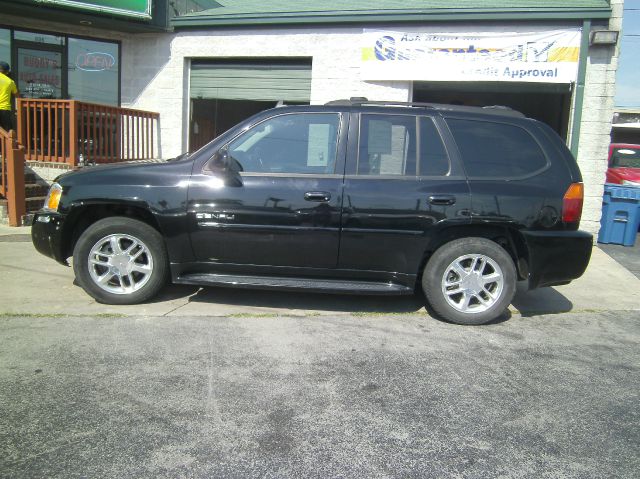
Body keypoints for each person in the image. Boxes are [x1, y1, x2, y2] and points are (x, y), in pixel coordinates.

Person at [0, 61, 19, 132]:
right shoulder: (10, 82)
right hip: (5, 110)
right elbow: (17, 95)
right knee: (8, 133)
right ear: (7, 72)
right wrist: (17, 109)